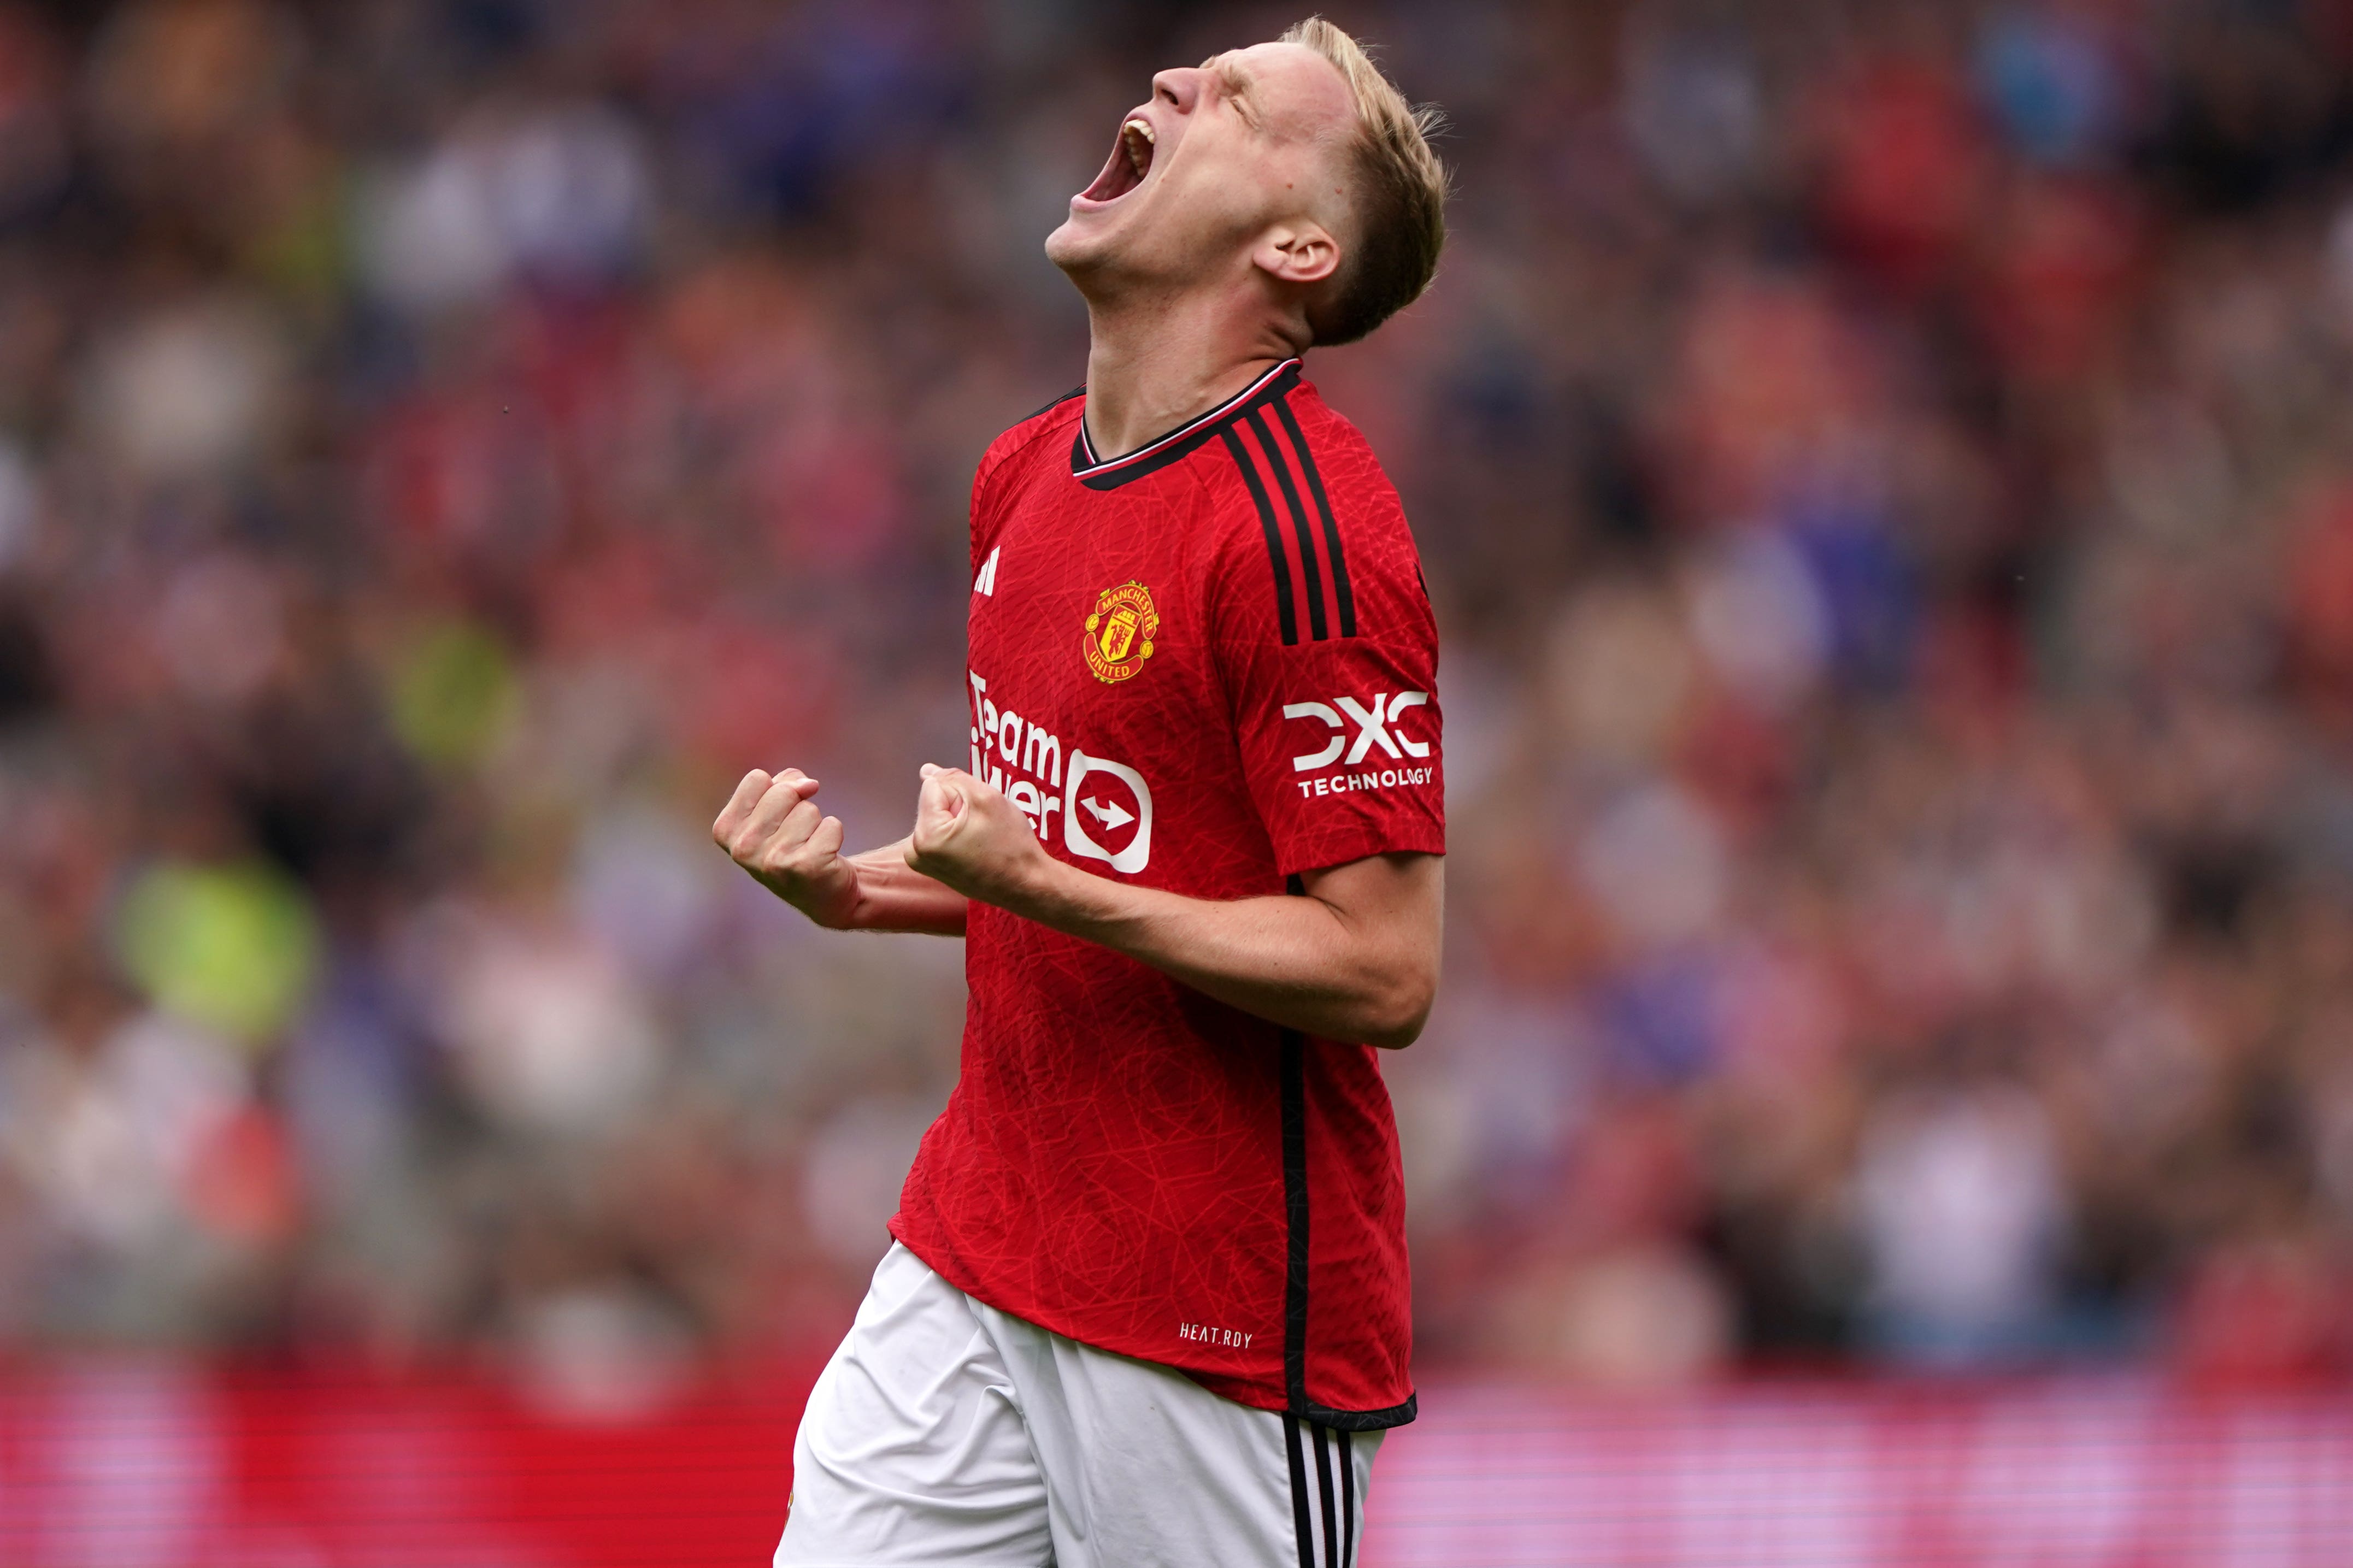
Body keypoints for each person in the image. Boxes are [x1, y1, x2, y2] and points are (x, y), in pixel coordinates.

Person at [714, 19, 1449, 1567]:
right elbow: (1104, 856)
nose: (1180, 83)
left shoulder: (1310, 540)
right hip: (977, 1248)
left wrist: (1030, 883)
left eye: (1239, 102)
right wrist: (867, 891)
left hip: (1213, 1318)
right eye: (1194, 70)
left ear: (1298, 247)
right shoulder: (1026, 472)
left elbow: (1381, 970)